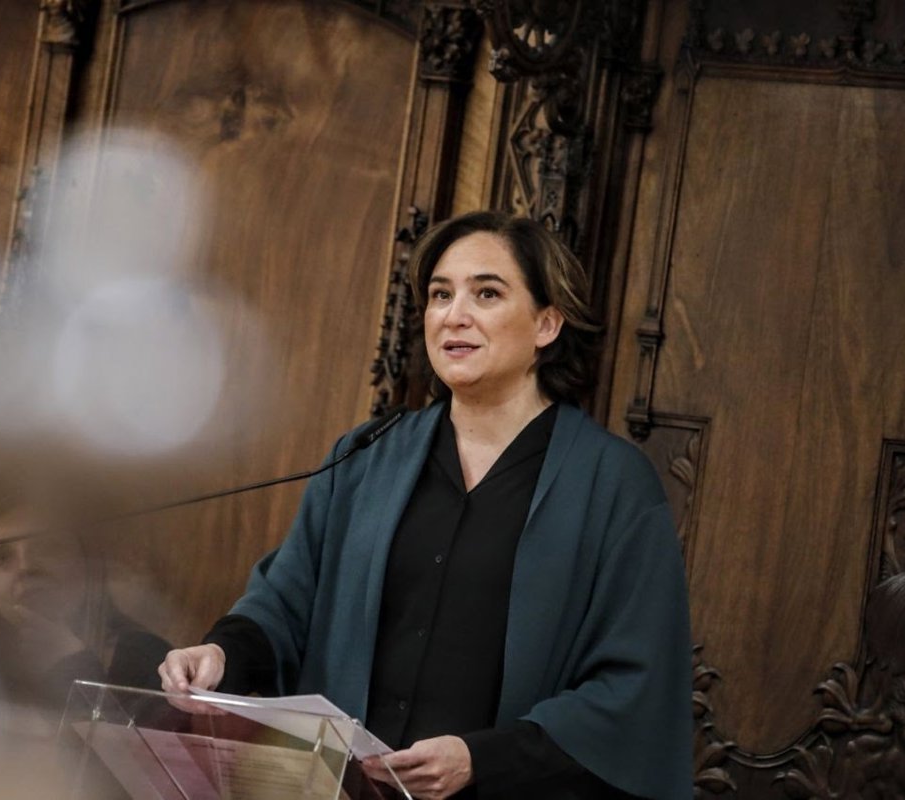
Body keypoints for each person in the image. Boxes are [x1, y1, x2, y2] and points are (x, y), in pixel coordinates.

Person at [158, 210, 691, 799]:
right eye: (441, 294)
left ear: (547, 323)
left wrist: (479, 759)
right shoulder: (365, 457)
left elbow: (633, 686)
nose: (454, 315)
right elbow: (287, 601)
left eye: (486, 293)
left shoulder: (613, 484)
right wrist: (222, 653)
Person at [0, 504, 173, 710]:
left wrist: (71, 662)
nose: (26, 567)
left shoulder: (146, 658)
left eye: (48, 548)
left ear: (88, 565)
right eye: (1, 558)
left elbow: (129, 739)